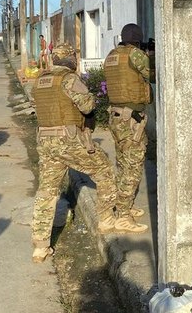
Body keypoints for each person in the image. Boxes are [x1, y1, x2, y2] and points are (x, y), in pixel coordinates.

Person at [31, 43, 127, 263]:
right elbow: (87, 106)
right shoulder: (69, 79)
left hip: (45, 140)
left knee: (47, 191)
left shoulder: (40, 80)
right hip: (68, 140)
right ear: (70, 59)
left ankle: (40, 246)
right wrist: (91, 96)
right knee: (103, 169)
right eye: (74, 57)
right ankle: (105, 218)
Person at [103, 24, 152, 233]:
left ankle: (126, 205)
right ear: (138, 40)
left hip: (116, 116)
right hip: (130, 118)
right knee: (132, 166)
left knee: (123, 162)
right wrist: (152, 56)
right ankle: (123, 217)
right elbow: (153, 75)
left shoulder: (112, 56)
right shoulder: (136, 55)